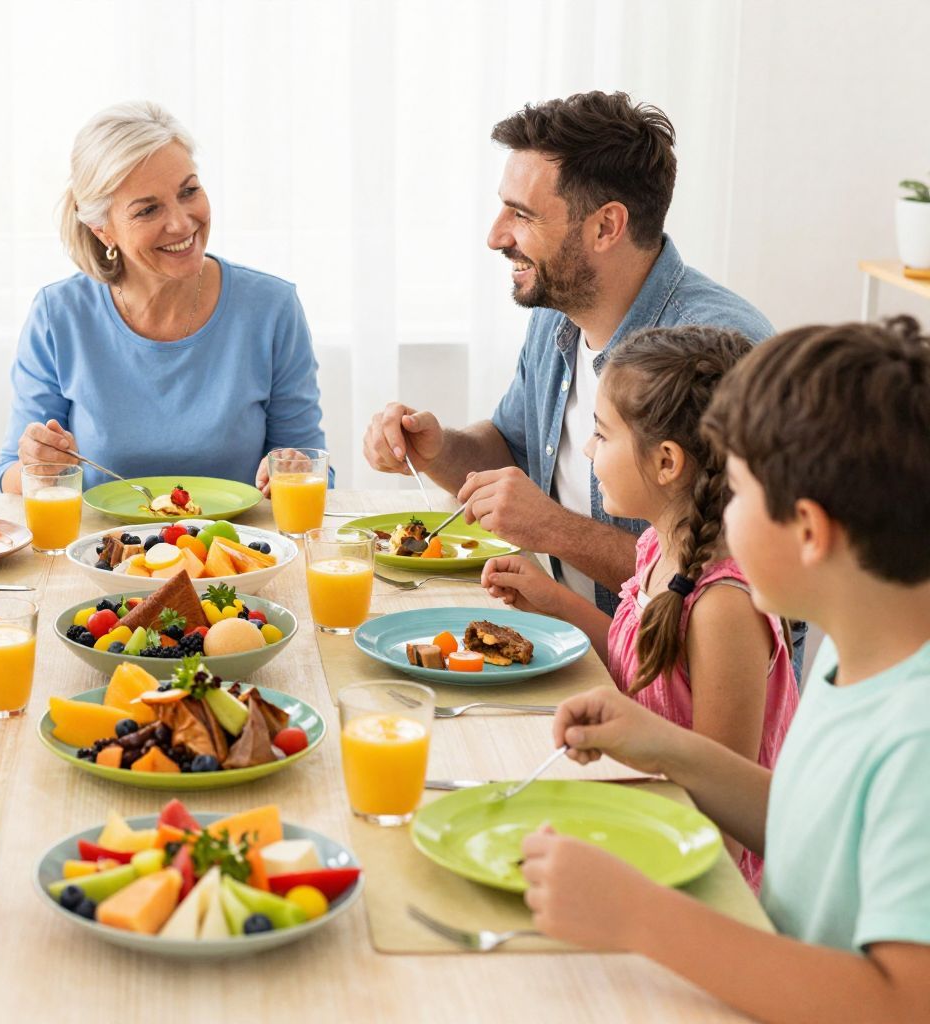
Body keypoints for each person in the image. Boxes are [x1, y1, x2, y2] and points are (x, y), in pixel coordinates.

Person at [520, 318, 930, 1023]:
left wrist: (639, 916)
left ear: (808, 530)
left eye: (735, 493)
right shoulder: (853, 652)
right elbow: (811, 831)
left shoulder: (916, 738)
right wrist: (660, 740)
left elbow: (899, 1002)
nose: (721, 516)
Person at [361, 91, 772, 616]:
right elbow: (515, 449)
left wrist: (554, 530)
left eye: (522, 214)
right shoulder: (558, 310)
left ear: (606, 226)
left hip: (668, 689)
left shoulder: (723, 355)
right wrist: (438, 450)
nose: (495, 236)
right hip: (586, 647)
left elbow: (741, 585)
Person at [481, 326, 795, 886]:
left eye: (601, 435)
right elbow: (642, 661)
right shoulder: (658, 546)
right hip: (644, 820)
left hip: (701, 872)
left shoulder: (723, 608)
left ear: (667, 462)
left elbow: (719, 813)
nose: (587, 451)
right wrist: (554, 601)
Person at [0, 100, 327, 497]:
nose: (182, 223)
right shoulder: (59, 314)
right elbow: (9, 474)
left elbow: (313, 468)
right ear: (103, 230)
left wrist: (293, 469)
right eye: (148, 209)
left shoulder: (272, 308)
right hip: (102, 554)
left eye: (189, 192)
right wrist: (37, 467)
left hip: (238, 553)